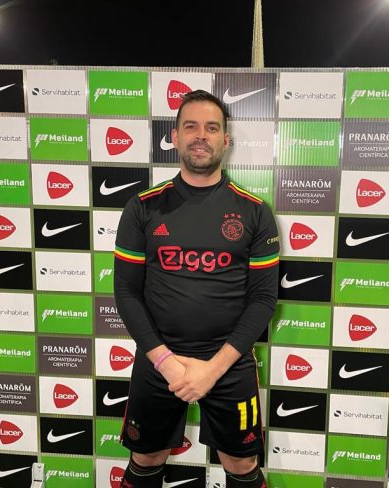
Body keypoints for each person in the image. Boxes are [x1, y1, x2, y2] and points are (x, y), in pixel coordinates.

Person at [113, 90, 279, 488]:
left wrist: (213, 369)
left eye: (211, 128)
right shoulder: (143, 207)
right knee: (146, 456)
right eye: (191, 126)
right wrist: (167, 363)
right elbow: (126, 293)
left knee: (242, 464)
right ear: (174, 137)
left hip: (228, 362)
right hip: (159, 359)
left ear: (226, 140)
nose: (200, 135)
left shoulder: (255, 211)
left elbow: (263, 299)